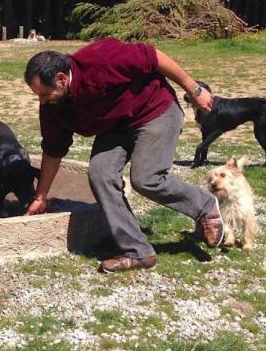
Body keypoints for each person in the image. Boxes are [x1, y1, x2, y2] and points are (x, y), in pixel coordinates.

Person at [24, 38, 224, 273]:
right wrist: (41, 195)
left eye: (45, 94)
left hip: (155, 111)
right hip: (116, 126)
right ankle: (137, 251)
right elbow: (53, 149)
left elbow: (154, 56)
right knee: (100, 173)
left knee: (146, 177)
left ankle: (205, 207)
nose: (42, 100)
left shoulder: (101, 59)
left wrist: (194, 89)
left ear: (61, 79)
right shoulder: (52, 105)